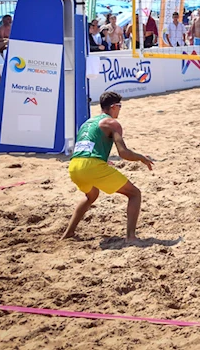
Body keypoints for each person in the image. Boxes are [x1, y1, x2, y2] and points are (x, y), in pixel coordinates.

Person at [61, 91, 153, 243]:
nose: (120, 110)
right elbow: (123, 153)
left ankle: (68, 233)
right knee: (134, 194)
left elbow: (88, 146)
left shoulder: (88, 123)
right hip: (91, 166)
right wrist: (141, 157)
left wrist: (103, 160)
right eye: (119, 106)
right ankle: (131, 237)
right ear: (113, 106)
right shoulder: (112, 123)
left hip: (74, 166)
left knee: (91, 196)